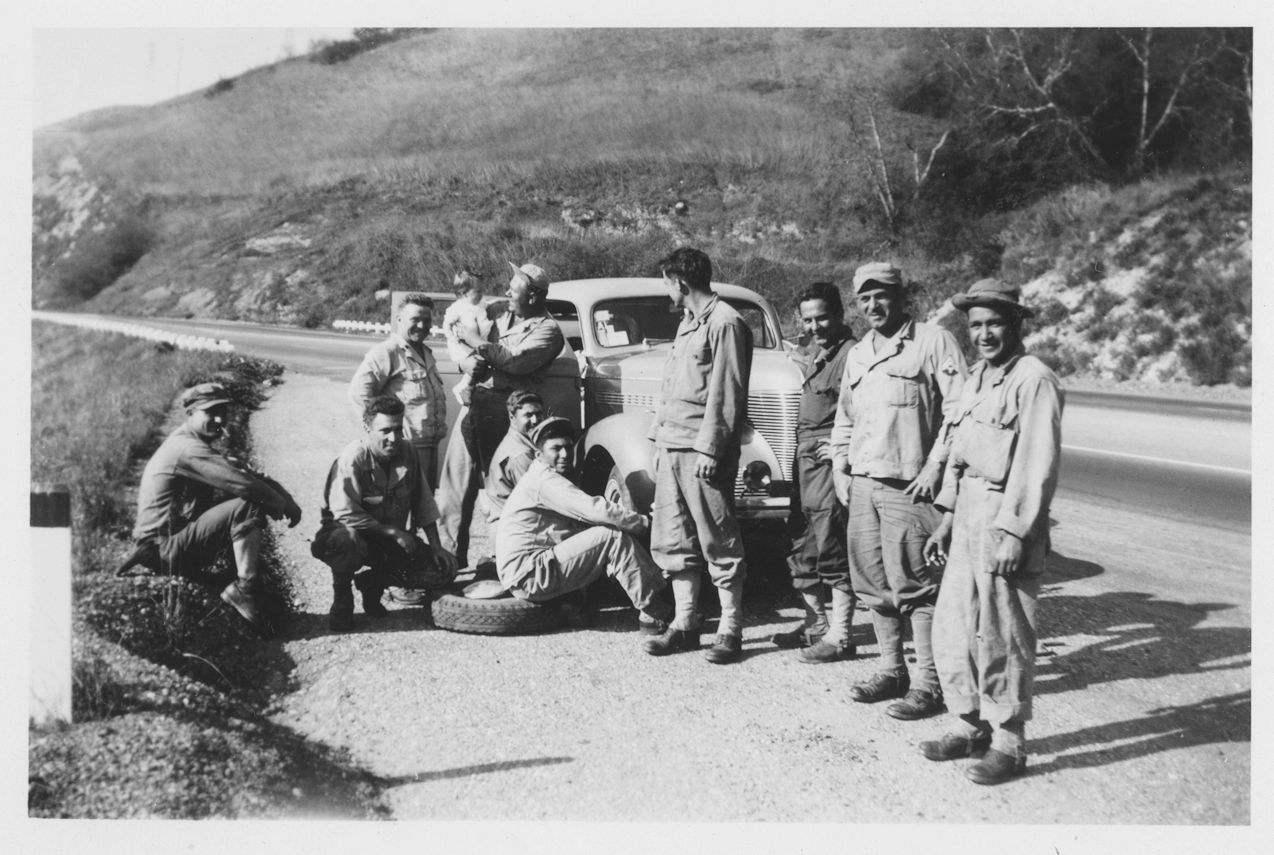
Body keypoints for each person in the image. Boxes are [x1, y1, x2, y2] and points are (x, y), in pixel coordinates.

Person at [919, 279, 1063, 785]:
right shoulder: (976, 377)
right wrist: (948, 517)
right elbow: (959, 455)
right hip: (969, 515)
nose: (983, 334)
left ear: (1016, 324)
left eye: (994, 323)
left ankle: (1009, 741)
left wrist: (1015, 532)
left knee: (1005, 634)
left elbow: (1035, 464)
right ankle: (967, 722)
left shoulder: (1033, 379)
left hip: (1007, 517)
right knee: (954, 625)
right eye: (975, 325)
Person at [829, 261, 967, 719]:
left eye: (881, 294)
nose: (873, 304)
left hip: (910, 485)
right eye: (864, 297)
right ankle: (893, 671)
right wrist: (839, 467)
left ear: (902, 296)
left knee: (916, 586)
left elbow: (958, 412)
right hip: (864, 482)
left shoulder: (932, 341)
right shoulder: (859, 352)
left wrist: (935, 464)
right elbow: (845, 417)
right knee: (872, 582)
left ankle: (930, 685)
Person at [642, 247, 753, 665]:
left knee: (718, 537)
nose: (666, 291)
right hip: (673, 445)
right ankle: (686, 623)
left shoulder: (725, 323)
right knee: (674, 538)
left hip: (701, 452)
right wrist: (657, 441)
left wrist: (711, 448)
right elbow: (674, 388)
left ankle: (730, 629)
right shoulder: (688, 324)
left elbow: (728, 392)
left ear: (680, 283)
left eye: (667, 283)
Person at [125, 381, 302, 630]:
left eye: (224, 411)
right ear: (190, 414)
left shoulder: (191, 444)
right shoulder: (187, 449)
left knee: (242, 500)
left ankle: (244, 584)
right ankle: (245, 588)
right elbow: (243, 485)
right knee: (247, 506)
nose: (220, 419)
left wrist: (285, 498)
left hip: (165, 543)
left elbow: (242, 474)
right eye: (211, 412)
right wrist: (279, 503)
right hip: (161, 548)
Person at [437, 261, 570, 567]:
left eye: (515, 287)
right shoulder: (498, 311)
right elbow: (460, 333)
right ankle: (446, 562)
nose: (507, 290)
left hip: (508, 414)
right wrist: (464, 363)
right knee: (453, 488)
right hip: (476, 404)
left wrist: (473, 340)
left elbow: (512, 363)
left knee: (500, 492)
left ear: (534, 296)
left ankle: (503, 563)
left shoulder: (548, 332)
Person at [495, 417, 672, 630]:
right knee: (611, 538)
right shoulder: (545, 480)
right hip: (531, 574)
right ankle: (654, 613)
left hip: (530, 568)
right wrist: (645, 522)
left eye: (568, 447)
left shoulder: (543, 476)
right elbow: (596, 509)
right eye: (556, 448)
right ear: (539, 454)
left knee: (599, 533)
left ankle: (576, 601)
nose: (565, 454)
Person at [310, 395, 459, 631]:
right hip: (348, 534)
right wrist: (394, 532)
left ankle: (372, 584)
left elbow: (424, 502)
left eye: (399, 430)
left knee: (444, 570)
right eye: (385, 431)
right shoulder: (353, 459)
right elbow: (345, 514)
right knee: (345, 541)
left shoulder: (407, 451)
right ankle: (342, 598)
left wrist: (436, 546)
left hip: (387, 539)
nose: (394, 439)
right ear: (367, 428)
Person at [771, 282, 859, 663]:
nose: (815, 325)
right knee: (801, 541)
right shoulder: (812, 351)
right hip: (804, 459)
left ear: (840, 315)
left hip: (827, 461)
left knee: (831, 542)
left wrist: (846, 448)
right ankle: (816, 623)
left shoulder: (853, 356)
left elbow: (864, 410)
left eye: (822, 317)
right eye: (808, 319)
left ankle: (841, 636)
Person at [349, 293, 449, 489]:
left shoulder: (426, 354)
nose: (422, 326)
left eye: (427, 320)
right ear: (400, 319)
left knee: (424, 507)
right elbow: (358, 393)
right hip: (403, 450)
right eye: (415, 319)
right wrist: (382, 434)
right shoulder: (387, 352)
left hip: (430, 446)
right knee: (399, 509)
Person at [485, 390, 545, 523]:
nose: (535, 420)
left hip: (513, 522)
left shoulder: (518, 441)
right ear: (512, 417)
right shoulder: (521, 453)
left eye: (539, 414)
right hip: (513, 528)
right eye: (528, 415)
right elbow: (537, 498)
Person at [442, 269, 492, 406]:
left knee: (482, 361)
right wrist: (454, 339)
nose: (482, 295)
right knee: (477, 363)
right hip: (462, 345)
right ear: (464, 293)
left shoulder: (480, 303)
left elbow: (488, 306)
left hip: (477, 341)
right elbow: (446, 325)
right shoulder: (457, 308)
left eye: (482, 291)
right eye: (478, 291)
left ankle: (467, 388)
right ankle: (462, 388)